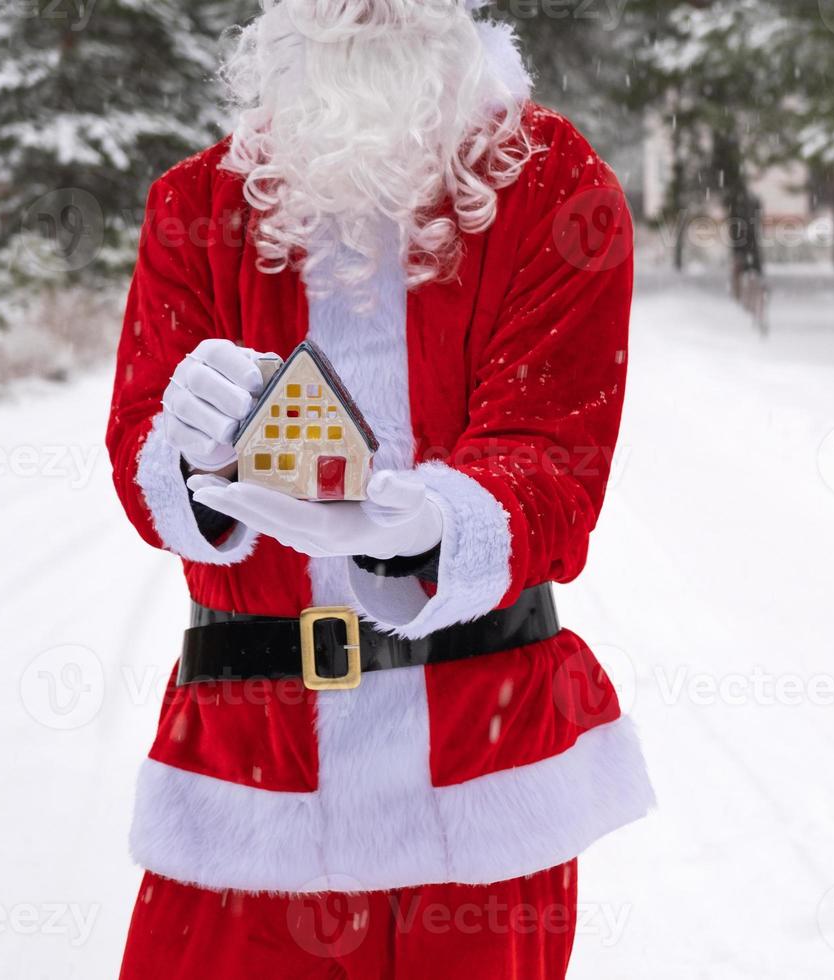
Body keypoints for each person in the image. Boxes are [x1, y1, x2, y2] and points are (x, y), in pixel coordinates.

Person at [104, 2, 652, 976]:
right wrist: (186, 457)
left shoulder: (557, 187)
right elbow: (143, 450)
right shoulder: (193, 205)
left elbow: (553, 454)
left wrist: (438, 525)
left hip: (484, 789)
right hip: (250, 783)